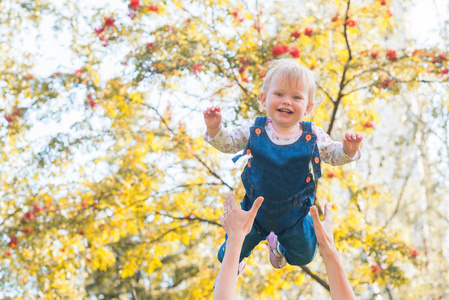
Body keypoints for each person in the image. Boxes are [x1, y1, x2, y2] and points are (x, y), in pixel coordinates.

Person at [204, 59, 363, 275]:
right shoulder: (255, 129)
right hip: (254, 210)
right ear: (263, 98)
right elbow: (229, 142)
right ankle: (235, 264)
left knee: (304, 255)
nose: (287, 101)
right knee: (227, 254)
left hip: (294, 212)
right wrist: (215, 129)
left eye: (296, 97)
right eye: (279, 94)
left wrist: (348, 149)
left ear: (307, 107)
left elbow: (332, 154)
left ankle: (277, 244)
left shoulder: (311, 134)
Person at [212, 193, 356, 300]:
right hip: (288, 203)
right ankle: (277, 245)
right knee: (305, 255)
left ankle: (235, 264)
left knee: (224, 257)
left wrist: (235, 238)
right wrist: (327, 246)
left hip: (256, 216)